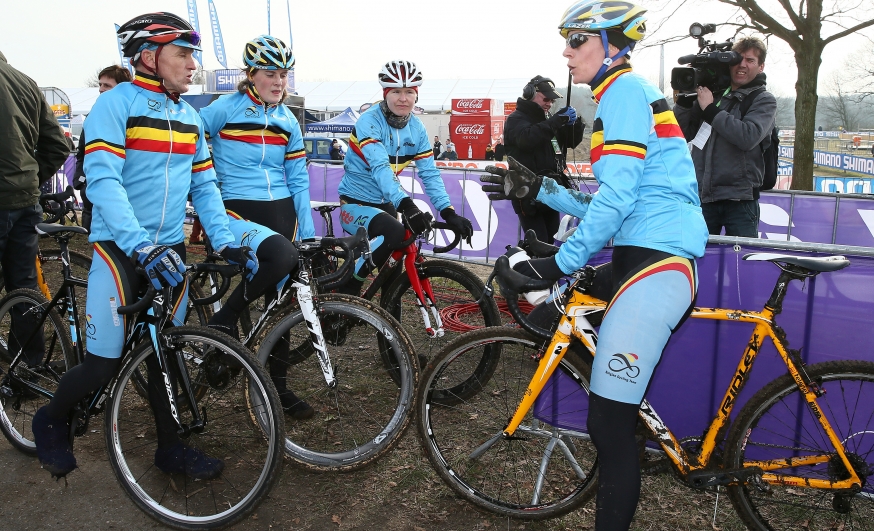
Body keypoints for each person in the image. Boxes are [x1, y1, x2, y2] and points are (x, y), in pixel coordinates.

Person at [481, 2, 708, 529]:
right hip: (644, 253)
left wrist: (559, 261)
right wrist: (542, 189)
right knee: (565, 325)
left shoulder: (626, 91)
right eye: (566, 40)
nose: (565, 51)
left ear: (614, 45)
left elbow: (619, 198)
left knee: (608, 427)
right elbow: (612, 200)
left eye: (577, 40)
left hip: (656, 265)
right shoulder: (618, 95)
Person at [31, 12, 257, 480]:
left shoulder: (189, 116)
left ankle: (170, 449)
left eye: (193, 54)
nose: (193, 64)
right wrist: (138, 246)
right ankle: (49, 418)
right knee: (102, 365)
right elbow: (104, 182)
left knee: (165, 354)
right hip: (120, 250)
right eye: (183, 54)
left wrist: (226, 241)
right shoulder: (115, 105)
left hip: (168, 249)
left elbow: (206, 187)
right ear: (148, 56)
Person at [199, 34, 316, 420]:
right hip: (237, 210)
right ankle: (225, 318)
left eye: (283, 73)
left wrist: (309, 229)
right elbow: (188, 146)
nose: (279, 81)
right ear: (251, 75)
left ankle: (277, 390)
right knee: (281, 258)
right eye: (270, 73)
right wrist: (208, 192)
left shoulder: (287, 120)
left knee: (280, 306)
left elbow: (298, 179)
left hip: (281, 212)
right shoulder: (223, 108)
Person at [336, 60, 473, 298]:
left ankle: (388, 331)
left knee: (392, 278)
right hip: (355, 203)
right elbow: (380, 168)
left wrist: (448, 212)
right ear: (385, 94)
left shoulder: (417, 128)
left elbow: (429, 173)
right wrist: (407, 205)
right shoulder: (369, 121)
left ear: (416, 96)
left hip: (386, 204)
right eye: (396, 91)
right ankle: (347, 288)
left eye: (409, 92)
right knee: (396, 233)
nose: (403, 98)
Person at [0, 49, 69, 369]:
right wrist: (31, 179)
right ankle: (27, 366)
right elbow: (58, 145)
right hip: (26, 201)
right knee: (25, 287)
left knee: (26, 287)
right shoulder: (25, 82)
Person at [674, 36, 777, 237]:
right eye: (737, 60)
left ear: (761, 66)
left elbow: (748, 136)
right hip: (704, 197)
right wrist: (684, 104)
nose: (742, 65)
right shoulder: (714, 96)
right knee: (697, 259)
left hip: (740, 200)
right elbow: (682, 134)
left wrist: (711, 110)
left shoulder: (763, 99)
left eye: (750, 60)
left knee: (741, 263)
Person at [504, 75, 585, 243]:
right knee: (538, 242)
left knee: (551, 241)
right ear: (530, 94)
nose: (549, 103)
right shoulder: (515, 118)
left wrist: (575, 125)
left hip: (550, 189)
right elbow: (526, 139)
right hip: (526, 191)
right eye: (546, 98)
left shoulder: (549, 121)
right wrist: (557, 121)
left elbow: (569, 143)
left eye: (552, 100)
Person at [74, 65, 131, 232]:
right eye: (100, 85)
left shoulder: (132, 114)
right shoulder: (94, 114)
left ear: (120, 88)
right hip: (92, 193)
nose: (100, 89)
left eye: (107, 85)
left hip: (121, 194)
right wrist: (80, 182)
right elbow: (82, 152)